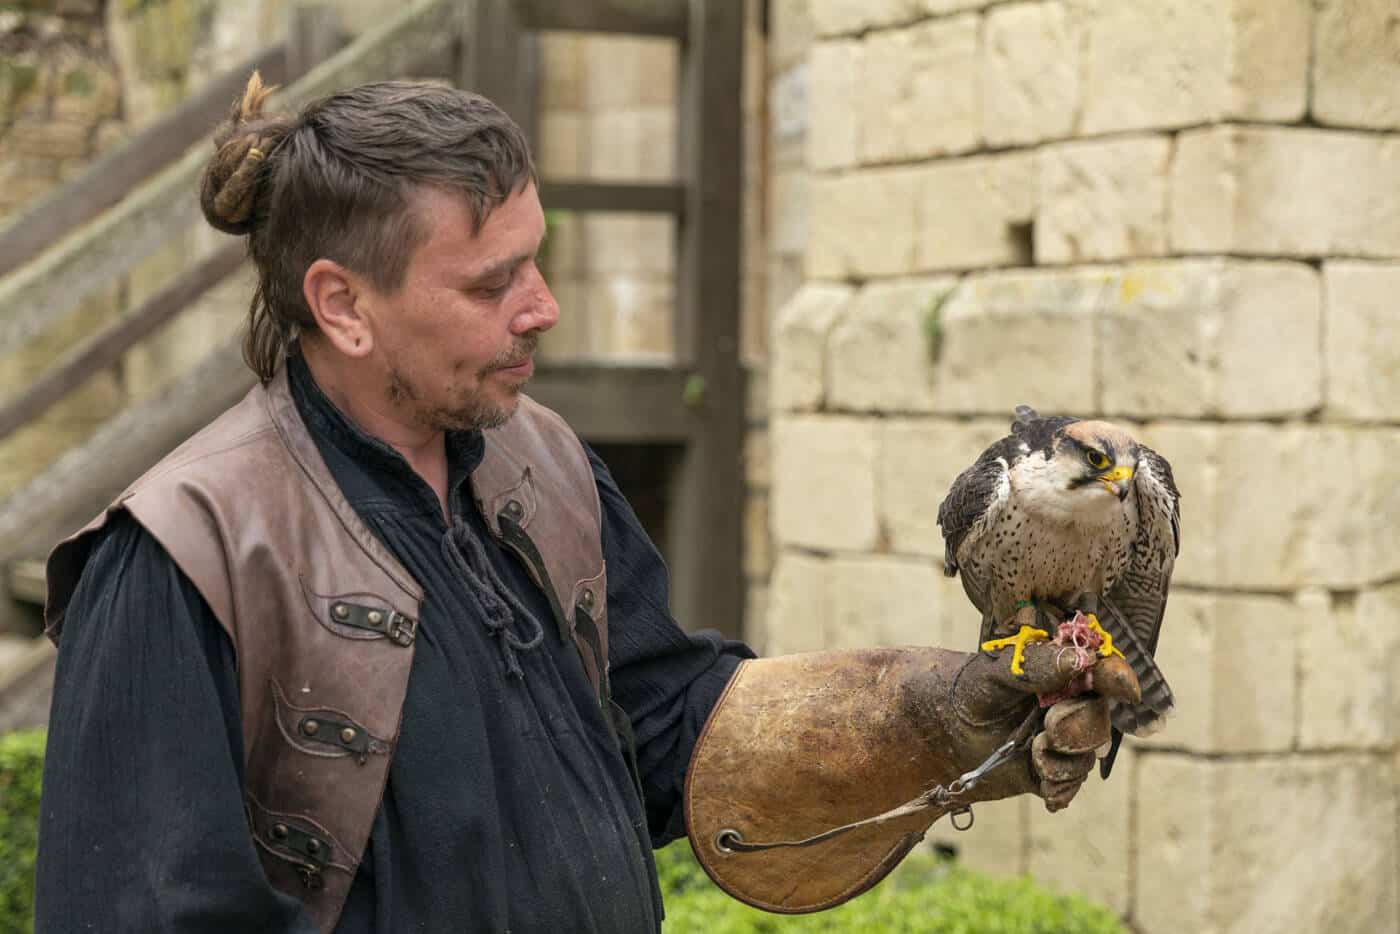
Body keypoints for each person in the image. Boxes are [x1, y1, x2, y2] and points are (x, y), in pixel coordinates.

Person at [32, 77, 1114, 933]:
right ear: (341, 305)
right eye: (488, 283)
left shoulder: (540, 464)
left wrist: (934, 720)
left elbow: (662, 728)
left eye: (534, 262)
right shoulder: (183, 554)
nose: (541, 308)